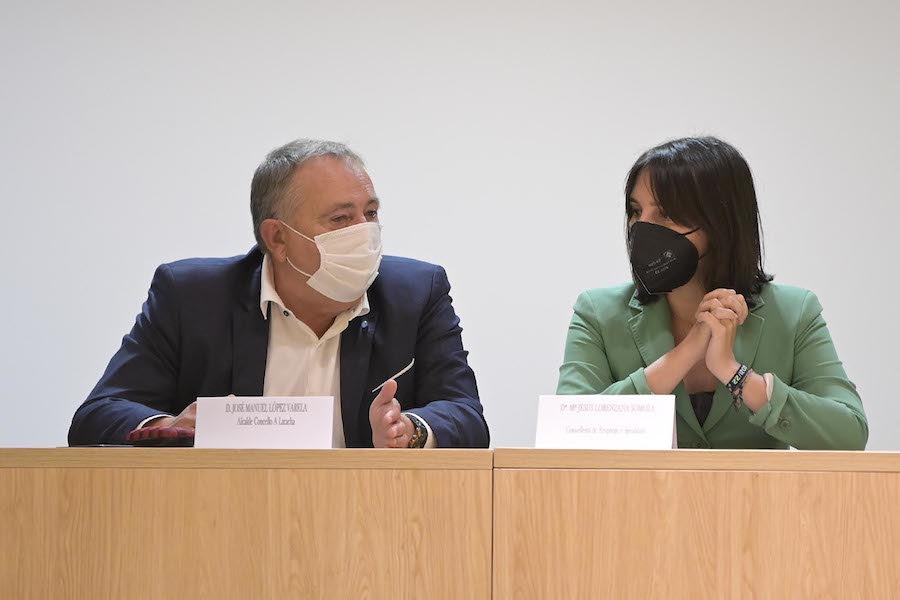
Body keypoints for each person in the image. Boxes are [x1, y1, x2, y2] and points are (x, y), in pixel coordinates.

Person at [69, 139, 489, 448]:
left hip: (369, 527)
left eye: (371, 213)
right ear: (277, 238)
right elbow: (97, 416)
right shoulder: (192, 298)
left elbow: (466, 415)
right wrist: (172, 426)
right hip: (226, 520)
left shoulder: (415, 294)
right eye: (341, 218)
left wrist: (410, 431)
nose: (364, 233)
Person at [557, 136, 867, 449]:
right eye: (636, 211)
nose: (642, 227)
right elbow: (566, 435)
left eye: (664, 213)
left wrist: (733, 373)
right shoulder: (597, 312)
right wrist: (686, 352)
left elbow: (849, 434)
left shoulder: (794, 312)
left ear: (720, 223)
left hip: (757, 499)